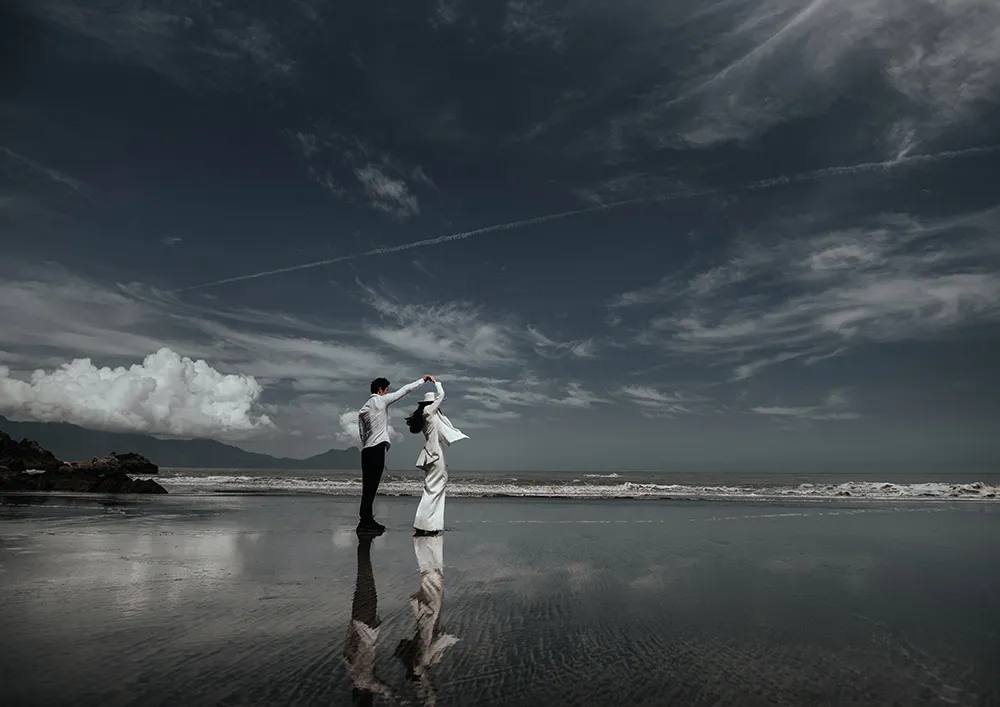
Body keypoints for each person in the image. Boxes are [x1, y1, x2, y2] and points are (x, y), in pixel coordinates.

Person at [357, 374, 433, 534]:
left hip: (366, 451)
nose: (387, 393)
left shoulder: (363, 409)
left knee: (367, 489)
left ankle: (366, 521)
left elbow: (362, 433)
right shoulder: (379, 400)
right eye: (386, 390)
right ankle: (365, 523)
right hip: (376, 450)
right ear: (380, 390)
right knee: (372, 488)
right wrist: (422, 380)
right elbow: (405, 390)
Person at [405, 378, 468, 536]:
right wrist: (436, 382)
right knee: (435, 489)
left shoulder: (428, 415)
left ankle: (426, 525)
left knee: (432, 488)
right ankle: (427, 525)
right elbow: (441, 395)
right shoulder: (429, 412)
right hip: (435, 454)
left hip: (431, 454)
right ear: (431, 403)